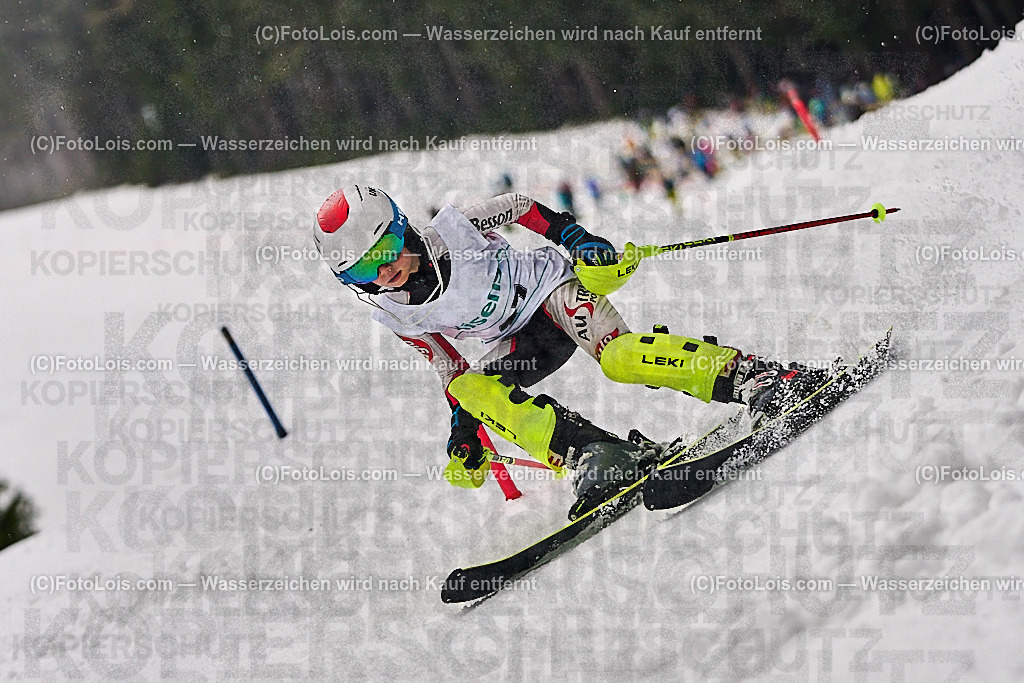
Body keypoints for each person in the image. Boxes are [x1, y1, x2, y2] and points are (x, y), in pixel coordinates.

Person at [313, 185, 817, 519]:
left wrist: (575, 238)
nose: (382, 275)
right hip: (517, 343)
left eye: (381, 254)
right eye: (361, 272)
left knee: (621, 359)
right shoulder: (395, 313)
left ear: (401, 227)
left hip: (553, 293)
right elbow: (448, 365)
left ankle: (758, 378)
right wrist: (463, 430)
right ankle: (597, 454)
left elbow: (522, 206)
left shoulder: (455, 228)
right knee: (468, 389)